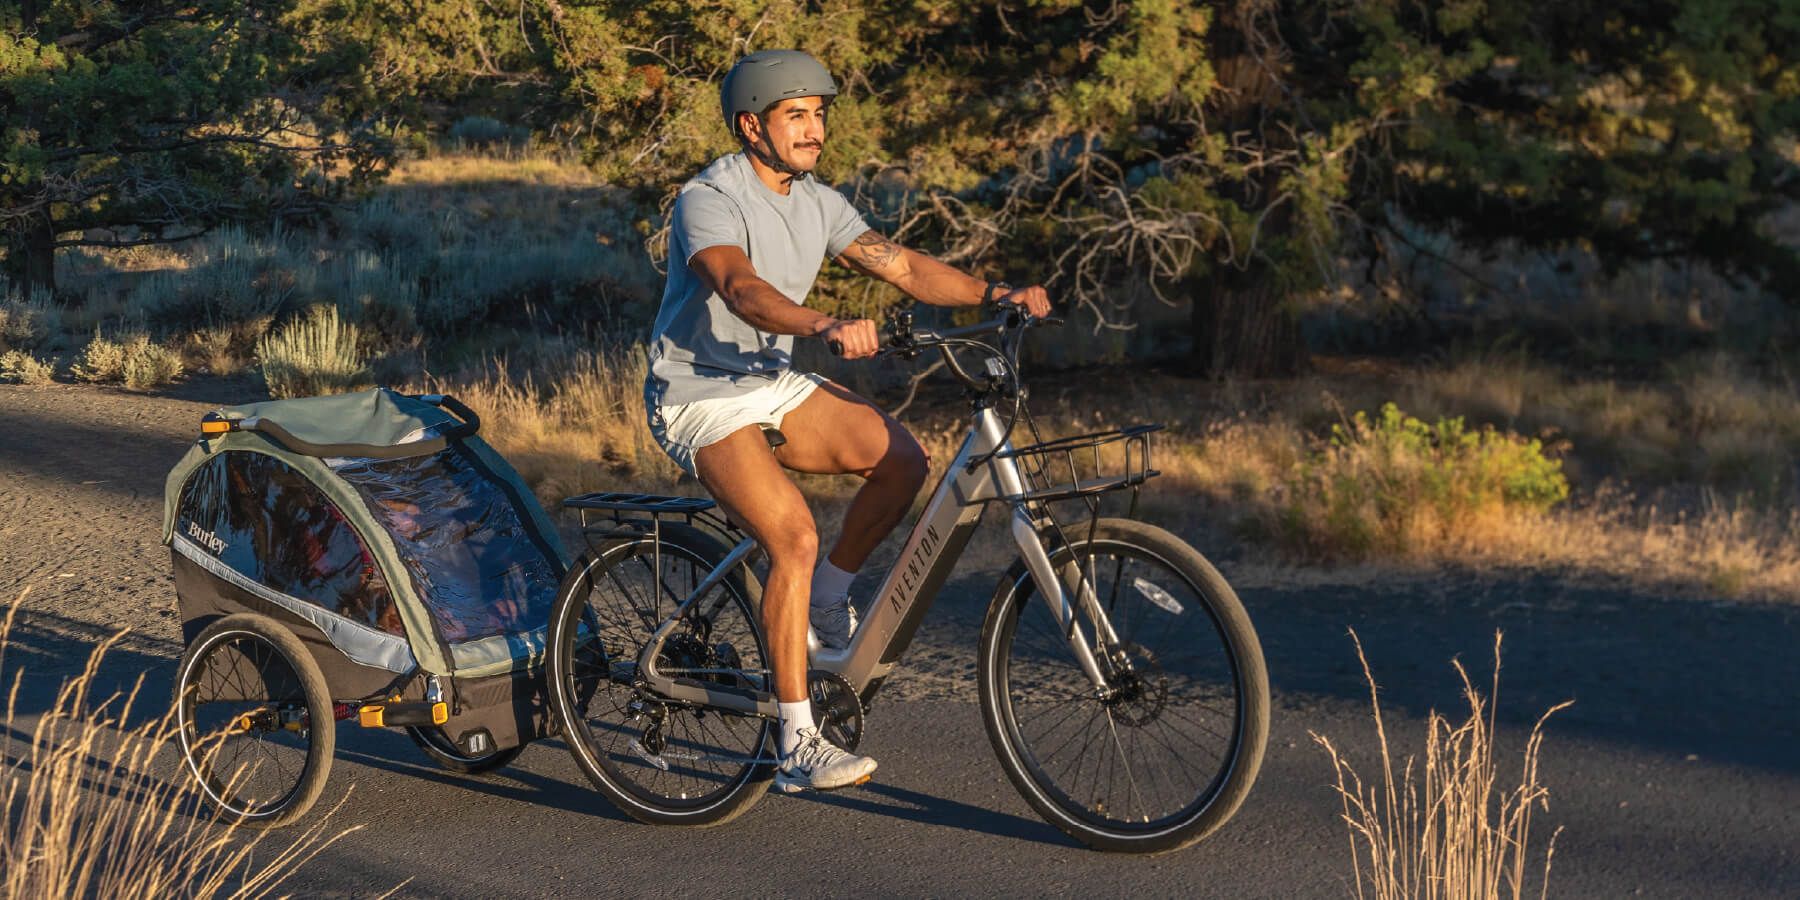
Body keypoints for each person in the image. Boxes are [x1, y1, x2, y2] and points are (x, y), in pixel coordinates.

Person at [643, 48, 1052, 794]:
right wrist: (825, 321)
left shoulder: (820, 202)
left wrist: (995, 292)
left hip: (767, 382)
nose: (815, 128)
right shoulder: (709, 198)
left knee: (903, 459)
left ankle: (827, 600)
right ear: (751, 126)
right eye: (796, 114)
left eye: (820, 113)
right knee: (793, 537)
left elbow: (903, 267)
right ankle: (797, 743)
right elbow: (742, 290)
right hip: (698, 393)